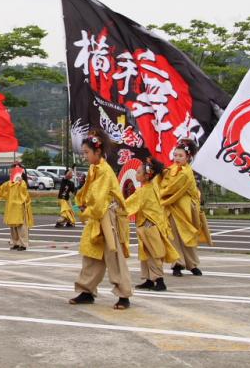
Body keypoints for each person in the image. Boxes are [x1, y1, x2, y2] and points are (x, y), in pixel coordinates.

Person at [69, 132, 133, 310]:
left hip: (107, 217)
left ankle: (123, 295)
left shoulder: (104, 171)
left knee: (113, 256)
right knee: (91, 253)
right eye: (84, 152)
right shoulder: (93, 168)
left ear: (97, 152)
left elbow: (98, 201)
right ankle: (86, 291)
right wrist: (80, 203)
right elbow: (87, 192)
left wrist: (84, 212)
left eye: (86, 152)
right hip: (97, 215)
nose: (84, 155)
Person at [125, 157, 179, 291]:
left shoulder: (143, 191)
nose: (136, 174)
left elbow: (127, 205)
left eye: (138, 172)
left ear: (146, 176)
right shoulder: (153, 185)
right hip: (154, 223)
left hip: (150, 225)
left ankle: (159, 281)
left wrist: (114, 204)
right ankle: (149, 279)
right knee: (147, 252)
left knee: (153, 253)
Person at [160, 139, 205, 277]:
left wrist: (161, 195)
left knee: (188, 237)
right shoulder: (170, 170)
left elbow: (173, 188)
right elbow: (163, 184)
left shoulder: (187, 172)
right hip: (172, 208)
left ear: (188, 157)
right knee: (174, 237)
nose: (177, 158)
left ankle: (192, 264)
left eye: (180, 156)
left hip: (185, 209)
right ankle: (177, 264)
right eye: (175, 155)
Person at [0, 173, 33, 250]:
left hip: (20, 208)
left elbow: (25, 194)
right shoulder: (8, 184)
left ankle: (23, 244)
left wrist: (20, 182)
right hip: (11, 208)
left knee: (21, 227)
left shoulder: (22, 183)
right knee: (13, 227)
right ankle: (16, 243)